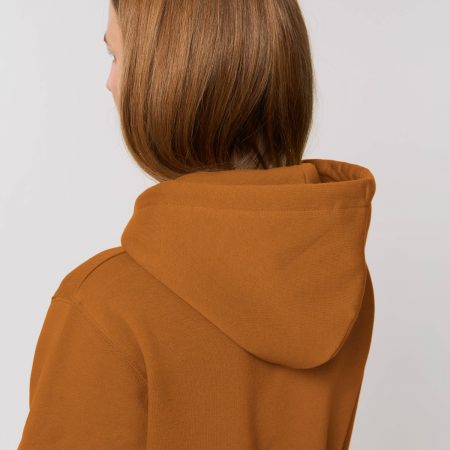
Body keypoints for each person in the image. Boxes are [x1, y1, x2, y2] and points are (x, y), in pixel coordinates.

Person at [17, 0, 376, 449]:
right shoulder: (336, 282)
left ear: (172, 76)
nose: (109, 82)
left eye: (116, 57)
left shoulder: (105, 305)